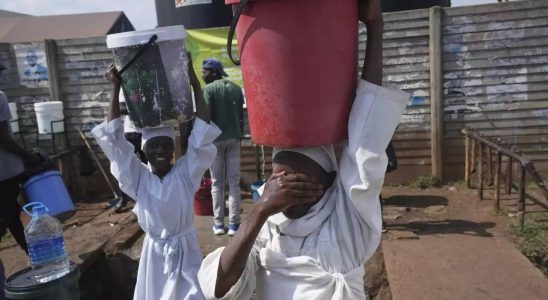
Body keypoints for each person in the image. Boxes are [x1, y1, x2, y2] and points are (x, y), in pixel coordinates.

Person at [197, 0, 410, 299]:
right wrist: (258, 211)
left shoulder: (347, 221)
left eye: (294, 179)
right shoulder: (269, 230)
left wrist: (375, 26)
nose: (282, 188)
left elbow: (366, 136)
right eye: (276, 180)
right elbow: (218, 289)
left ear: (328, 184)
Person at [91, 55, 221, 300]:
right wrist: (115, 87)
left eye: (165, 145)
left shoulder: (185, 173)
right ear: (143, 151)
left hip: (186, 251)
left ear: (173, 149)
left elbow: (202, 132)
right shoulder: (139, 179)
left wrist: (194, 84)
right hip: (154, 254)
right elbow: (116, 144)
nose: (160, 151)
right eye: (154, 147)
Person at [0, 62, 40, 257]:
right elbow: (2, 137)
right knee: (7, 216)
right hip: (5, 171)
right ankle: (35, 256)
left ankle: (33, 255)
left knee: (13, 215)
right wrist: (27, 156)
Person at [202, 58, 244, 236]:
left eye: (205, 71)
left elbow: (208, 116)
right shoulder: (236, 89)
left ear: (213, 72)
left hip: (215, 141)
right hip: (235, 139)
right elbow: (241, 115)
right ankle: (234, 225)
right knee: (233, 182)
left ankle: (219, 224)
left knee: (217, 184)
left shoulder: (209, 90)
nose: (203, 75)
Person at [106, 91, 148, 212]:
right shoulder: (126, 87)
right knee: (122, 165)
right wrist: (139, 106)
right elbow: (121, 107)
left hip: (147, 132)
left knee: (148, 166)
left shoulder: (148, 82)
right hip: (130, 131)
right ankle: (124, 198)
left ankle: (145, 197)